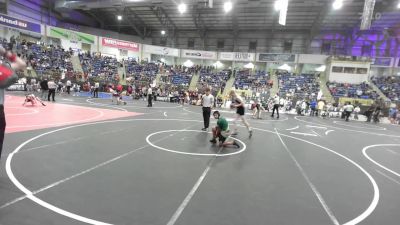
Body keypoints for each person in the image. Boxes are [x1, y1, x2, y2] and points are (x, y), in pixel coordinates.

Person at [0, 46, 27, 161]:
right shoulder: (3, 67)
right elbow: (21, 64)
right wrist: (5, 53)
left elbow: (22, 65)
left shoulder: (3, 67)